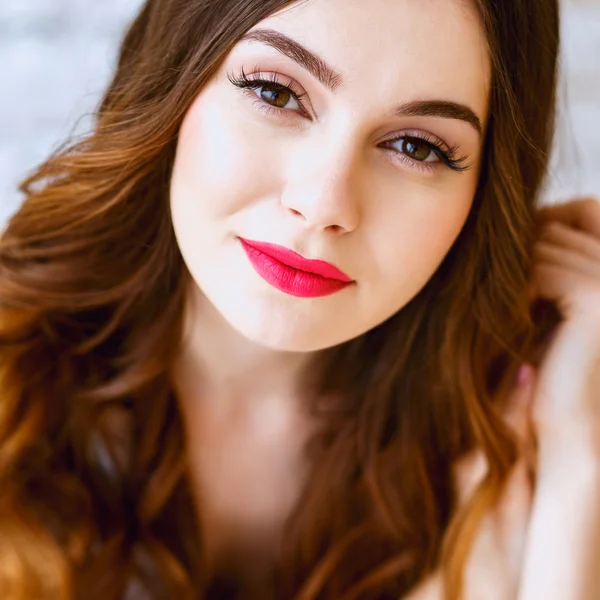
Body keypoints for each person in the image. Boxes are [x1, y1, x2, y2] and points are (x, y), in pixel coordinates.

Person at [0, 0, 598, 598]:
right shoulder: (16, 372)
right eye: (276, 93)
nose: (323, 203)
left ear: (483, 197)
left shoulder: (508, 445)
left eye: (416, 147)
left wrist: (577, 462)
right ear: (175, 80)